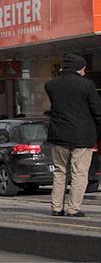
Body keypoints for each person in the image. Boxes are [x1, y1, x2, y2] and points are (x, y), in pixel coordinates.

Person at [45, 53, 101, 217]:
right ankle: (73, 208)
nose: (84, 72)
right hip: (82, 137)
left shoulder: (51, 85)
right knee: (79, 173)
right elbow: (97, 111)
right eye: (83, 69)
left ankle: (57, 208)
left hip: (59, 135)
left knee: (60, 171)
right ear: (78, 68)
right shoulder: (87, 85)